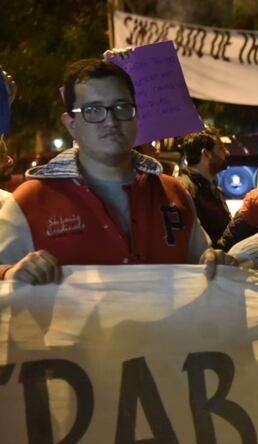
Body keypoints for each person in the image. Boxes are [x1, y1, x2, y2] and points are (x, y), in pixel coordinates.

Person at [0, 58, 234, 284]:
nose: (110, 121)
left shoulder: (175, 194)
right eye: (93, 110)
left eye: (121, 107)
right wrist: (9, 275)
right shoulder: (30, 201)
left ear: (137, 116)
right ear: (71, 124)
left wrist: (216, 263)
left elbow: (200, 265)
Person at [179, 127, 232, 243]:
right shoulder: (186, 190)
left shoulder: (212, 187)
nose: (227, 152)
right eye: (220, 148)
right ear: (206, 154)